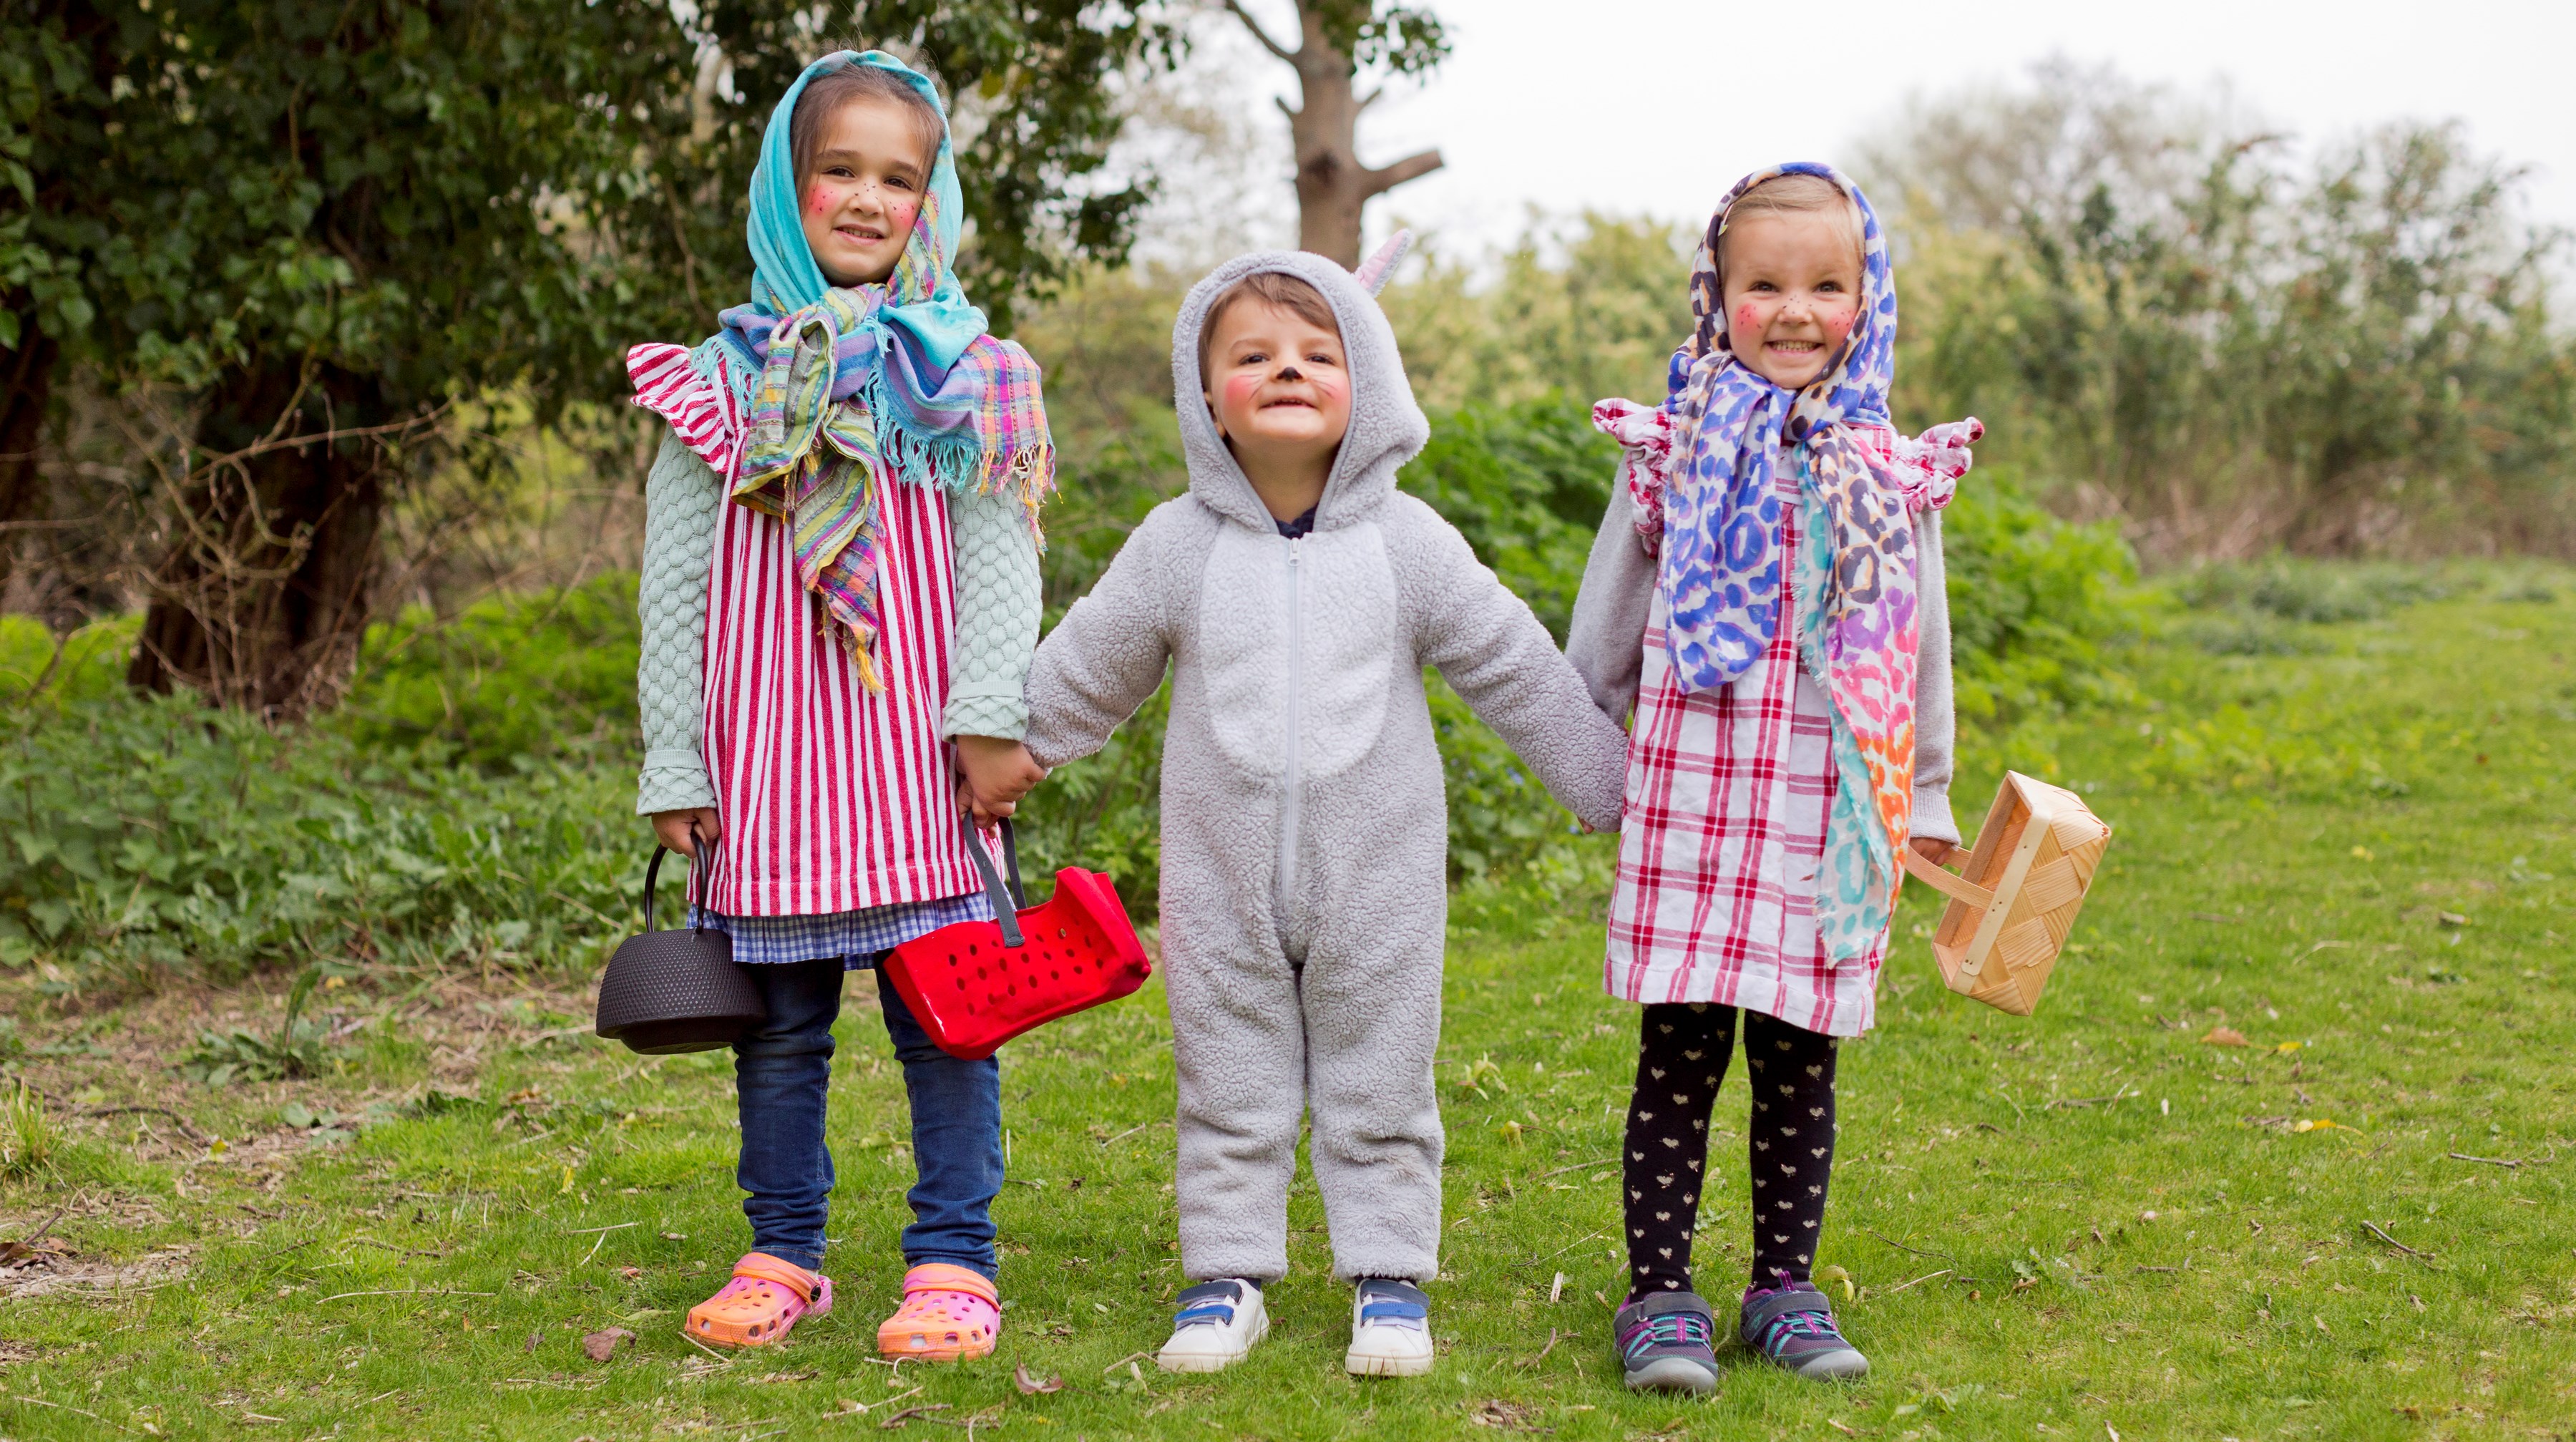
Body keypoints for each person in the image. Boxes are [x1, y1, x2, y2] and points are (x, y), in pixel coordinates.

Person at [1020, 241, 1631, 1378]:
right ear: (1208, 396)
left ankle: (1389, 1279)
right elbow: (1089, 664)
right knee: (1226, 1074)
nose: (1286, 370)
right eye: (1253, 355)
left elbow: (1513, 664)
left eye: (1317, 353)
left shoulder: (1408, 543)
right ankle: (1226, 1279)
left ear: (1370, 386)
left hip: (1380, 876)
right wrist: (1002, 757)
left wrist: (1610, 784)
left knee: (1383, 1070)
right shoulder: (1177, 546)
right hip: (1218, 877)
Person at [625, 49, 1053, 1363]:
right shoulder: (717, 383)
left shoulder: (971, 373)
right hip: (768, 761)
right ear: (784, 188)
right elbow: (676, 580)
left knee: (948, 1021)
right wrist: (674, 758)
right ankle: (784, 1251)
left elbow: (1001, 563)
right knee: (778, 1035)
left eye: (899, 178)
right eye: (840, 170)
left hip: (919, 763)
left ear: (934, 201)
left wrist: (990, 721)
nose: (870, 198)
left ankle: (953, 1261)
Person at [1566, 163, 1981, 1392]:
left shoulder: (1888, 473)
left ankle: (1784, 1292)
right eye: (1765, 285)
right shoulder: (1675, 452)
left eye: (1825, 287)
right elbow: (1606, 621)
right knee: (1680, 1058)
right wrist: (1593, 761)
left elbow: (1918, 649)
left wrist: (1929, 796)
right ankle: (1660, 1298)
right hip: (1696, 802)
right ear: (1718, 295)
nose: (1795, 311)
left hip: (1825, 808)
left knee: (1801, 1064)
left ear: (1866, 300)